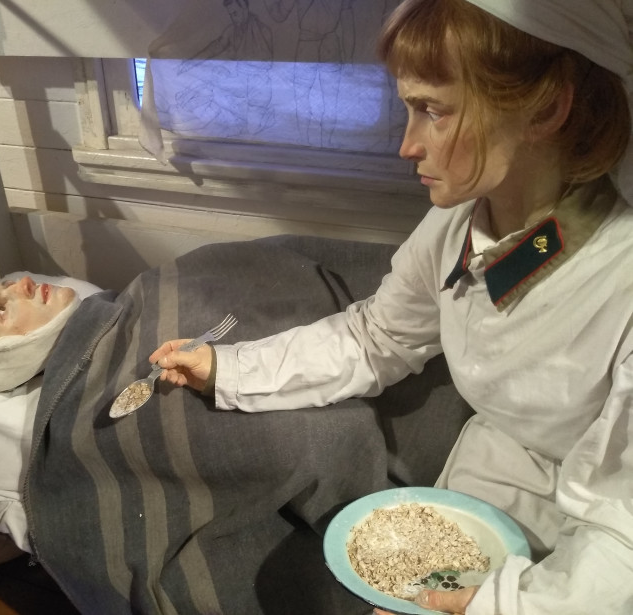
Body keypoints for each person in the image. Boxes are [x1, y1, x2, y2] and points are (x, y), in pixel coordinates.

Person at [150, 0, 633, 614]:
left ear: (546, 108)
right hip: (492, 481)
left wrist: (498, 607)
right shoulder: (459, 223)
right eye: (409, 107)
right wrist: (230, 369)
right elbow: (379, 336)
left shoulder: (620, 278)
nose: (407, 145)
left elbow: (622, 531)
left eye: (434, 110)